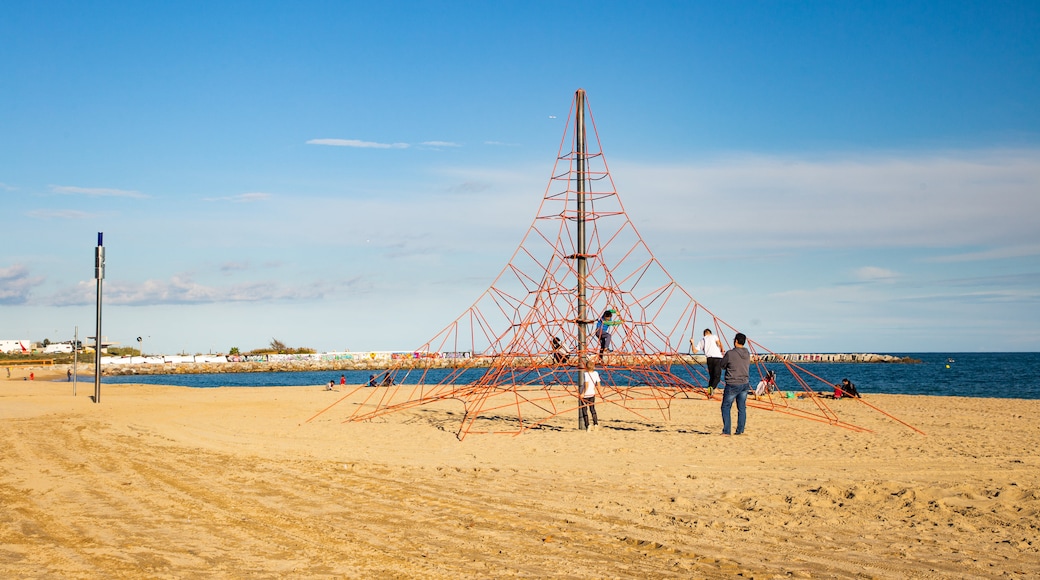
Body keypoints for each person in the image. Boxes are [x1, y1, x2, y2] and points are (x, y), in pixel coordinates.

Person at [720, 333, 750, 436]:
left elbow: (722, 365)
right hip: (745, 383)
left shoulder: (730, 353)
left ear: (736, 341)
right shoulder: (747, 352)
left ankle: (726, 431)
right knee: (741, 407)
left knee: (726, 406)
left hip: (733, 383)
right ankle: (740, 430)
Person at [693, 328, 724, 398]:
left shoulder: (702, 340)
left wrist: (692, 343)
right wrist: (722, 349)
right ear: (710, 333)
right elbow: (719, 344)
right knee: (717, 377)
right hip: (717, 357)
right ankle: (712, 388)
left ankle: (710, 392)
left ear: (704, 334)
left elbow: (694, 351)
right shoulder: (714, 336)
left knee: (712, 377)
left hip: (709, 359)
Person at [578, 359, 601, 431]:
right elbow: (598, 384)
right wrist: (599, 392)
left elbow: (586, 385)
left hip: (586, 395)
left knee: (584, 410)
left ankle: (587, 425)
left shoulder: (586, 374)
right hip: (592, 394)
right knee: (592, 409)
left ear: (586, 367)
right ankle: (596, 424)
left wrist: (583, 393)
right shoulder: (596, 373)